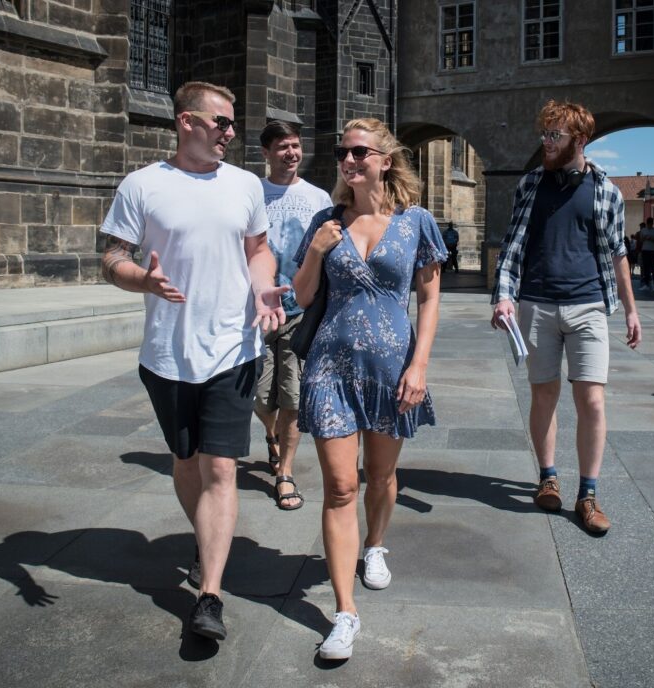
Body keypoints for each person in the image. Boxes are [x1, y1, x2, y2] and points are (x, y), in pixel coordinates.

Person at [99, 81, 286, 642]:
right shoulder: (142, 185)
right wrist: (142, 280)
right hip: (167, 354)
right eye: (221, 123)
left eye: (233, 124)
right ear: (186, 122)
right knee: (186, 464)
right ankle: (210, 543)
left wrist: (262, 288)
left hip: (234, 347)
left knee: (222, 468)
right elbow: (111, 256)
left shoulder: (246, 184)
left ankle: (210, 595)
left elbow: (258, 249)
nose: (231, 133)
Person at [291, 118, 448, 660]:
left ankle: (375, 545)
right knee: (339, 487)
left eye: (360, 152)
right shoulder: (325, 220)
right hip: (329, 370)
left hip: (392, 370)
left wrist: (420, 364)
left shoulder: (416, 222)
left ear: (384, 160)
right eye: (342, 152)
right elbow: (303, 296)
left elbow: (429, 298)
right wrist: (316, 248)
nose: (349, 160)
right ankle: (344, 612)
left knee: (380, 475)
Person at [491, 99, 642, 534]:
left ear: (579, 140)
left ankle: (588, 494)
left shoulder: (606, 191)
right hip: (536, 304)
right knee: (544, 396)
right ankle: (548, 478)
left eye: (553, 136)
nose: (546, 142)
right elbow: (513, 243)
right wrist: (504, 296)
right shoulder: (530, 185)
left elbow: (617, 253)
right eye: (544, 134)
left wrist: (631, 310)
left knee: (591, 399)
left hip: (589, 305)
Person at [255, 121, 333, 510]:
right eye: (283, 147)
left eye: (296, 146)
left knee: (293, 396)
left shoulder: (318, 197)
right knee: (258, 396)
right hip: (256, 312)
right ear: (266, 152)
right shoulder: (252, 193)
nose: (292, 153)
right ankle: (271, 436)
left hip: (301, 311)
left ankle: (285, 472)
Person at [638, 216, 654, 292]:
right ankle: (646, 284)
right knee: (645, 268)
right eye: (648, 224)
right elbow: (641, 240)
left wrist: (653, 239)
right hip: (645, 250)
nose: (649, 225)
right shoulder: (643, 231)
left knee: (653, 268)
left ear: (652, 224)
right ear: (647, 223)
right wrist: (645, 238)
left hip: (652, 251)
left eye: (651, 224)